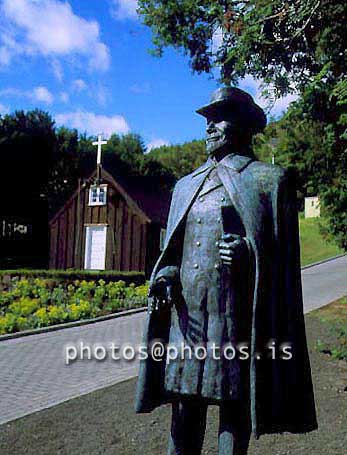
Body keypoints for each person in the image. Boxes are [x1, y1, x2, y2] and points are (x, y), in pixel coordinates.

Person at [135, 87, 317, 454]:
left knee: (234, 417)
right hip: (187, 328)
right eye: (207, 120)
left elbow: (283, 264)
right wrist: (165, 277)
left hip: (235, 325)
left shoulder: (269, 180)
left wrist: (249, 252)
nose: (209, 128)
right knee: (183, 414)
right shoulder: (186, 185)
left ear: (245, 126)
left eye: (219, 118)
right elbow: (171, 252)